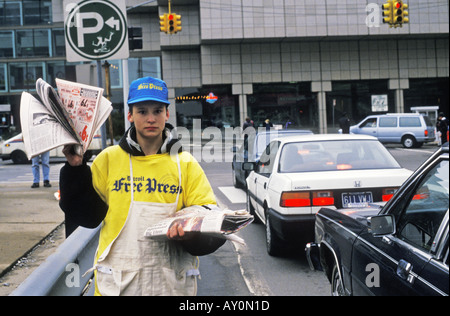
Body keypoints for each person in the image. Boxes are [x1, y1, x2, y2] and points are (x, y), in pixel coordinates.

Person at [59, 77, 224, 296]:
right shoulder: (108, 160)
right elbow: (87, 216)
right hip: (118, 287)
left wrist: (189, 235)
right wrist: (75, 168)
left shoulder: (185, 164)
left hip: (170, 286)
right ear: (130, 115)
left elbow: (209, 222)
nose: (151, 118)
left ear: (167, 114)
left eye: (157, 111)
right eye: (142, 111)